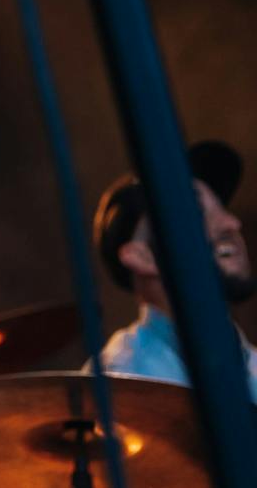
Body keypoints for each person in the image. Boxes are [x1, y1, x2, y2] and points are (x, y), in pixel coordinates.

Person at [92, 138, 257, 395]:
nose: (231, 223)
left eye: (221, 207)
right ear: (142, 256)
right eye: (195, 212)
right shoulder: (119, 383)